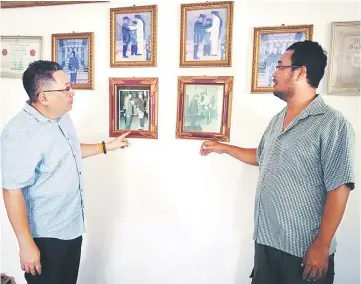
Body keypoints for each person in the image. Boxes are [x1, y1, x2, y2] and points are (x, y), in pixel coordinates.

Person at [200, 40, 355, 284]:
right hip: (266, 244)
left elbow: (339, 187)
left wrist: (322, 246)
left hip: (303, 253)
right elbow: (263, 156)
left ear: (301, 72)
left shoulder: (332, 124)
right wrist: (224, 148)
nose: (273, 72)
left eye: (280, 66)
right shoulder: (278, 119)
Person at [1, 60, 131, 284]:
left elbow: (67, 151)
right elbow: (11, 190)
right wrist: (26, 244)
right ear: (44, 97)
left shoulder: (61, 116)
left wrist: (105, 147)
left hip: (71, 226)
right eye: (66, 88)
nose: (73, 93)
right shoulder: (20, 134)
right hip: (46, 235)